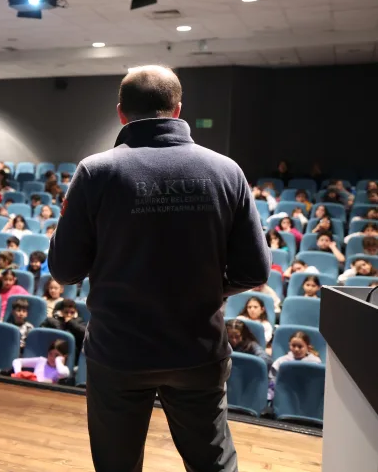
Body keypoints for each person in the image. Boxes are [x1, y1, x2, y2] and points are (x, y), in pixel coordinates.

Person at [48, 66, 269, 471]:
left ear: (121, 113)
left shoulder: (95, 172)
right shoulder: (226, 170)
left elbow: (65, 271)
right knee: (213, 462)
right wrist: (210, 289)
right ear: (178, 108)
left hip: (118, 352)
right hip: (197, 348)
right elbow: (254, 271)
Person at [268, 331, 321, 400]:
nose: (296, 349)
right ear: (289, 345)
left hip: (307, 397)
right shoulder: (281, 361)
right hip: (285, 396)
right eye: (293, 346)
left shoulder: (315, 362)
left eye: (300, 346)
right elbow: (273, 380)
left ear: (307, 347)